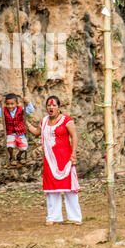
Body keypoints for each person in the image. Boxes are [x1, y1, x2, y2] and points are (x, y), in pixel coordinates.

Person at [26, 95, 82, 226]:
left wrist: (73, 154)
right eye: (49, 105)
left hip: (65, 158)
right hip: (50, 160)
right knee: (52, 189)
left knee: (69, 188)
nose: (51, 108)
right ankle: (53, 217)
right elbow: (36, 132)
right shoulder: (44, 121)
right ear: (46, 107)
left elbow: (74, 137)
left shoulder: (66, 120)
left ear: (59, 107)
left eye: (54, 105)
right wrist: (26, 124)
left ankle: (75, 217)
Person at [0, 93, 35, 166]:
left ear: (17, 103)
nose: (10, 106)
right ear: (5, 104)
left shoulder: (21, 109)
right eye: (8, 104)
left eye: (12, 104)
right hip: (10, 133)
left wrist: (28, 102)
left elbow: (31, 110)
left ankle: (18, 156)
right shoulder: (4, 111)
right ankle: (11, 157)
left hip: (21, 133)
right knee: (10, 146)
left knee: (24, 148)